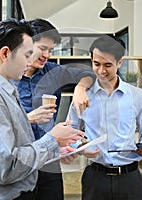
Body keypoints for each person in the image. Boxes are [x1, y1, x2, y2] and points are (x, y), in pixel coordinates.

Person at [0, 19, 84, 200]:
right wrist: (53, 139)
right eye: (27, 55)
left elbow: (18, 145)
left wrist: (54, 149)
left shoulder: (4, 91)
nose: (30, 62)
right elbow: (7, 168)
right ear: (5, 53)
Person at [66, 35, 142, 200]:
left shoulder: (137, 96)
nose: (101, 71)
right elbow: (70, 131)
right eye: (96, 64)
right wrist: (80, 146)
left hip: (129, 177)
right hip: (95, 177)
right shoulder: (82, 96)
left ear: (120, 62)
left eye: (108, 65)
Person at [13, 18, 95, 200]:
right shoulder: (8, 76)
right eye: (43, 48)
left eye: (51, 50)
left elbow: (88, 74)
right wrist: (29, 117)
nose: (47, 55)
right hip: (19, 163)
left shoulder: (53, 71)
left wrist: (80, 88)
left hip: (49, 161)